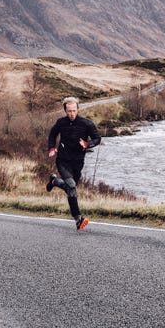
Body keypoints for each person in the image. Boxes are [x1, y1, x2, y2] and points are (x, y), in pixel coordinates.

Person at [46, 96, 101, 230]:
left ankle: (54, 181)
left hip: (78, 161)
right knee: (71, 186)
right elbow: (52, 134)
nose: (72, 114)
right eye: (69, 111)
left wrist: (88, 144)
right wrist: (52, 148)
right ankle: (78, 219)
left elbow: (97, 138)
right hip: (63, 160)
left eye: (74, 110)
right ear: (65, 110)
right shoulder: (61, 122)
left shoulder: (86, 123)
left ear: (78, 109)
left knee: (71, 188)